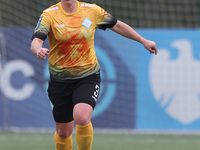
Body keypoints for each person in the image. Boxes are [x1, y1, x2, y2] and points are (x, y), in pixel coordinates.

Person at [30, 0, 157, 150]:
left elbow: (117, 25)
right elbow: (36, 41)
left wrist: (143, 40)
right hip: (60, 81)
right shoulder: (49, 15)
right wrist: (38, 49)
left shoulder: (92, 10)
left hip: (88, 76)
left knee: (82, 117)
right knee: (63, 133)